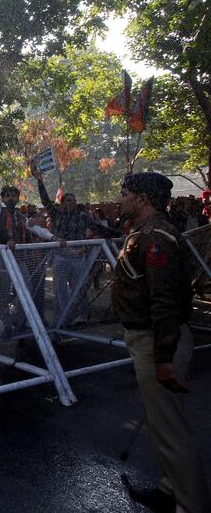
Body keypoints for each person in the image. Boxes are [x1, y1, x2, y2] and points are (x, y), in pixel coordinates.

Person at [112, 172, 211, 513]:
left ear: (142, 198)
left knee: (171, 432)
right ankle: (171, 489)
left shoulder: (156, 237)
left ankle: (191, 504)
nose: (120, 200)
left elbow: (165, 300)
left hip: (156, 340)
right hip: (152, 339)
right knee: (164, 425)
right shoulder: (144, 232)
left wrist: (164, 356)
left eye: (124, 194)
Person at [31, 160, 119, 326]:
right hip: (61, 257)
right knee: (60, 291)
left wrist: (120, 234)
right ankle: (62, 320)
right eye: (67, 201)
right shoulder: (56, 213)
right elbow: (45, 201)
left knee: (79, 289)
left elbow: (99, 228)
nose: (71, 203)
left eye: (73, 201)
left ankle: (82, 317)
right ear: (62, 203)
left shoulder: (83, 216)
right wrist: (39, 180)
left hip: (78, 257)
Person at [0, 166, 61, 334]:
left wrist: (54, 238)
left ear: (18, 198)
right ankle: (8, 325)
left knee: (26, 290)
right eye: (7, 195)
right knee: (3, 294)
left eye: (14, 195)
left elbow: (36, 230)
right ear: (3, 198)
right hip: (3, 261)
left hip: (20, 259)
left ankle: (19, 322)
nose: (11, 198)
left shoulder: (21, 215)